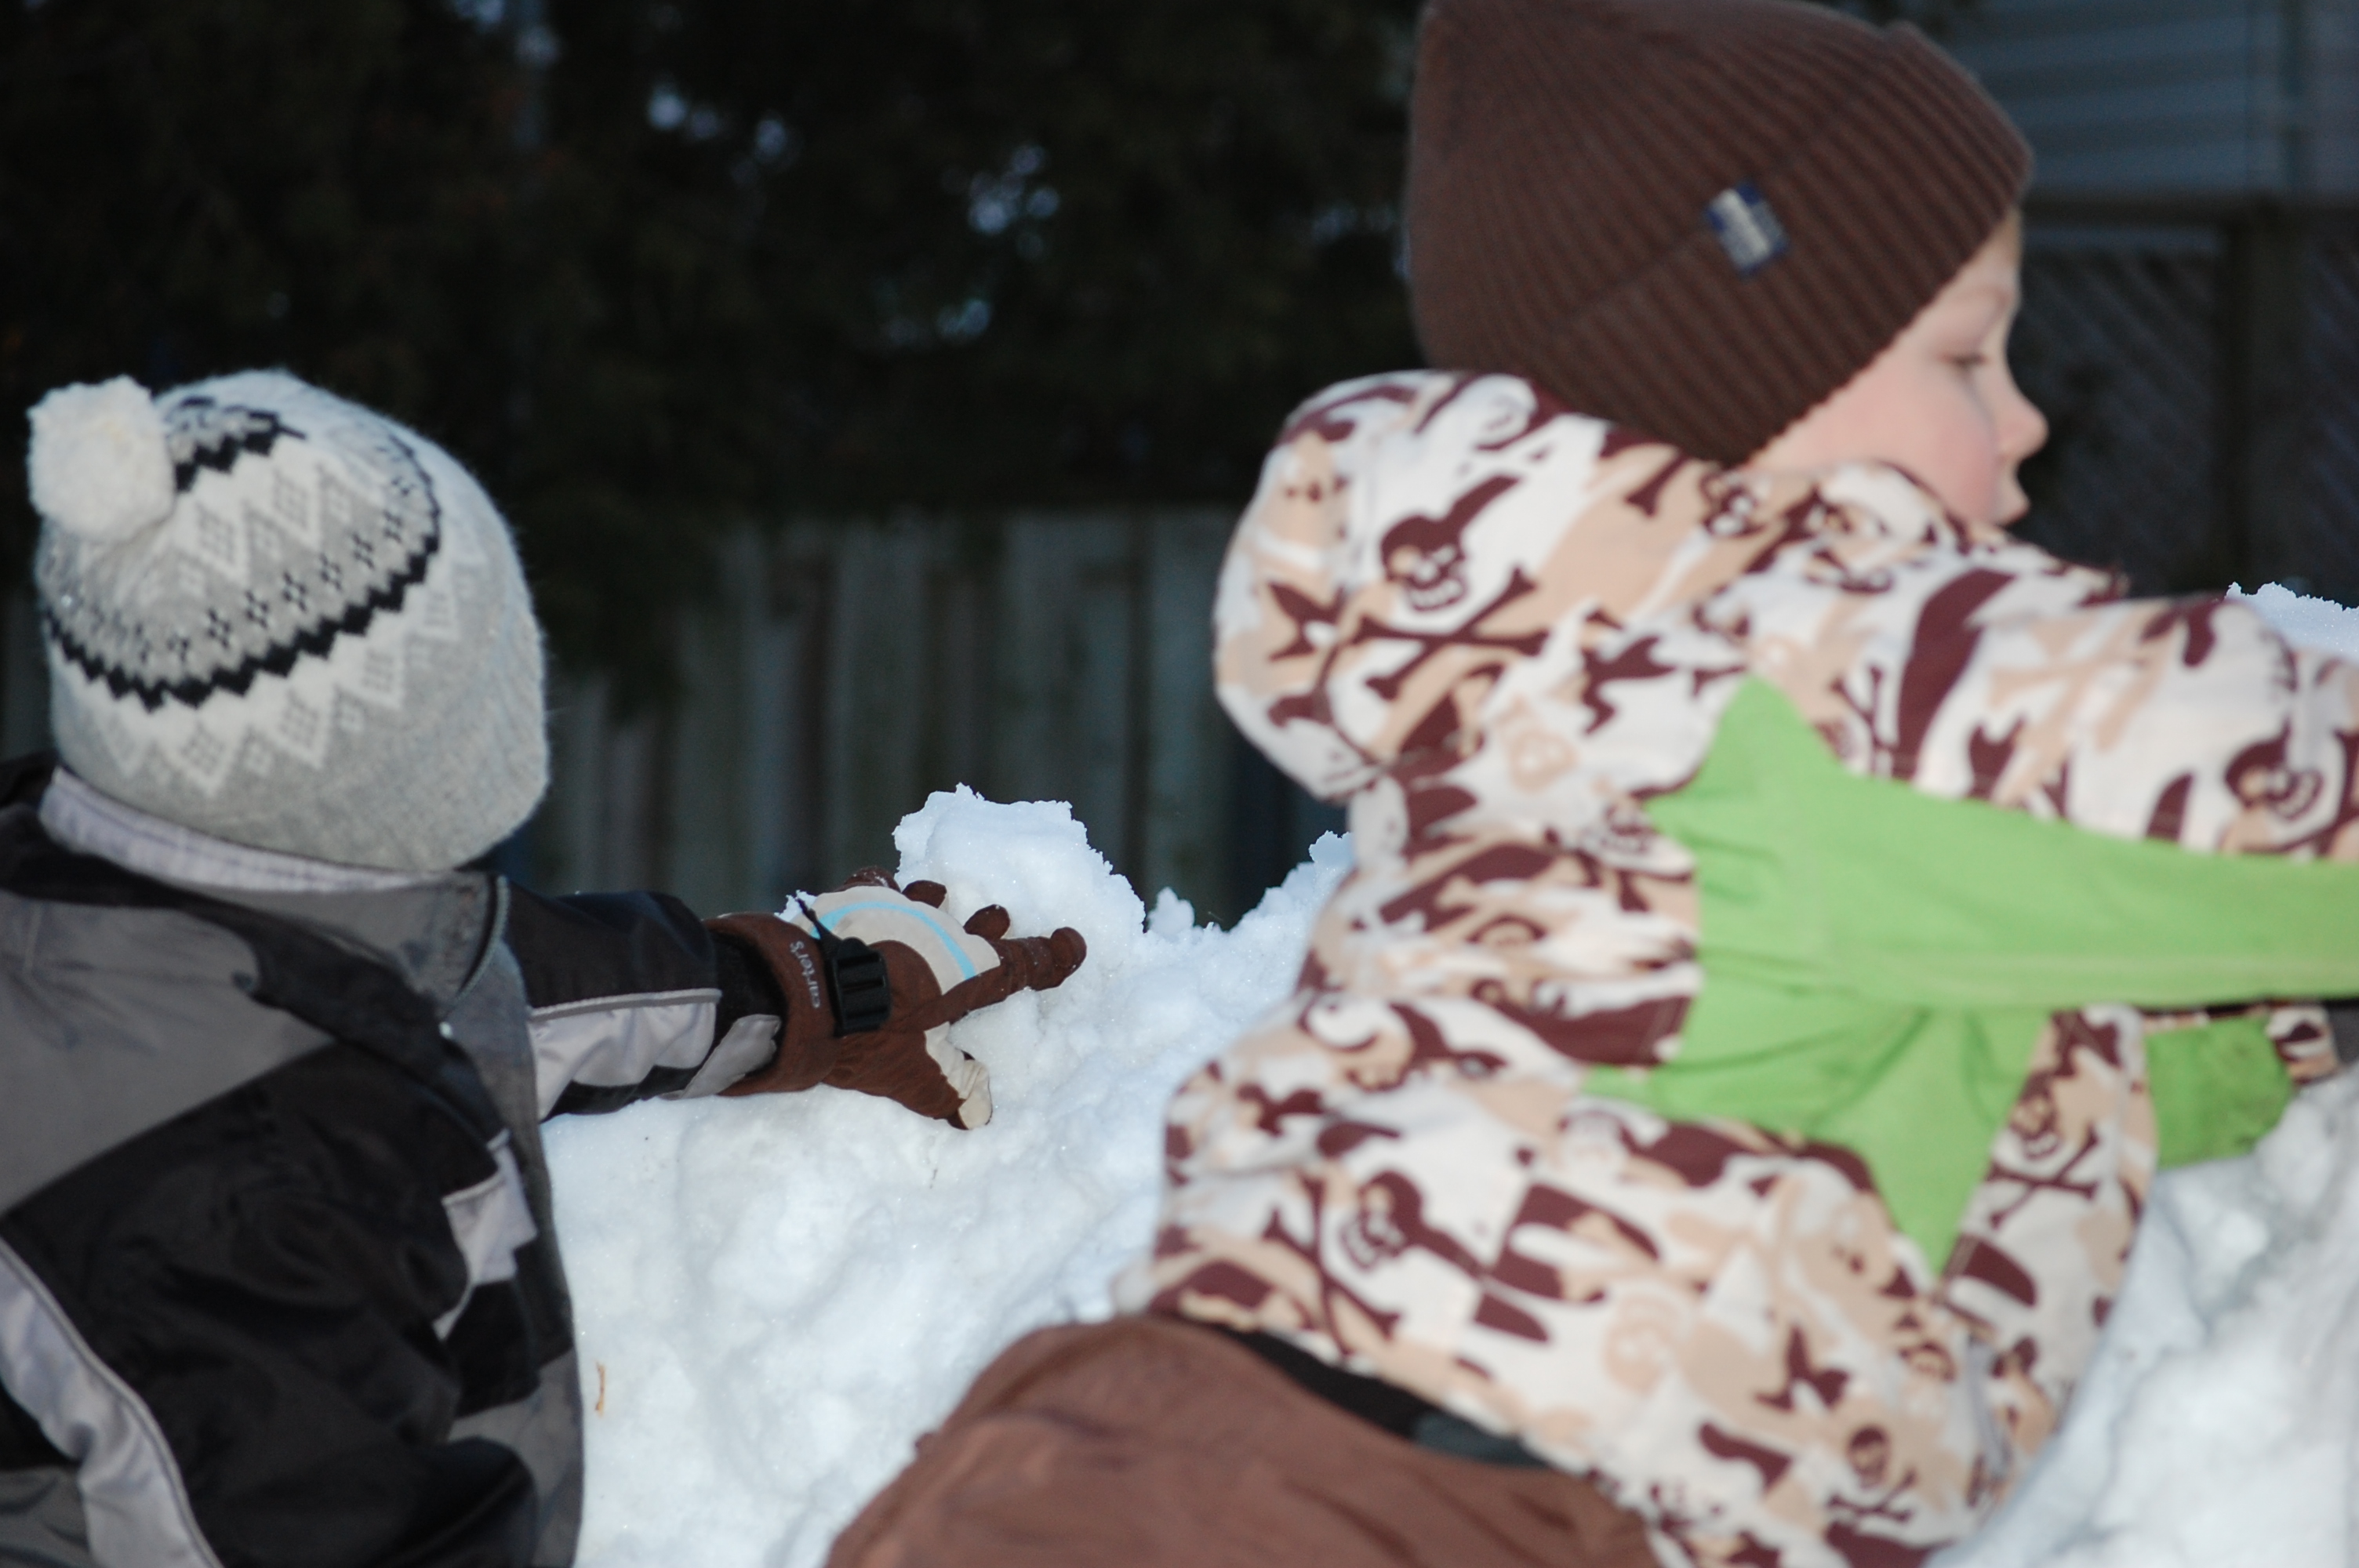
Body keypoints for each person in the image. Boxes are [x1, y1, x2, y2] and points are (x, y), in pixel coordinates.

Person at [830, 2, 2359, 1566]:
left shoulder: (1597, 706)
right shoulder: (1829, 663)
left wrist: (2276, 1032)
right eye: (1966, 356)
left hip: (1144, 1454)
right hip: (1384, 1510)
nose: (2023, 420)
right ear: (1759, 387)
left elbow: (1982, 1051)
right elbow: (2285, 785)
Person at [0, 369, 1085, 1567]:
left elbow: (483, 984)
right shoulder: (231, 1211)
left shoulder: (124, 906)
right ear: (394, 745)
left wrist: (805, 990)